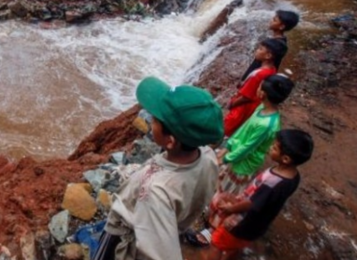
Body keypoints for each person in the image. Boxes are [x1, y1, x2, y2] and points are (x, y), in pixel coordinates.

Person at [93, 76, 223, 260]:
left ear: (170, 141)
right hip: (174, 223)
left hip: (126, 238)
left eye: (155, 119)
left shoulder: (156, 191)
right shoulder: (207, 155)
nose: (150, 121)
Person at [185, 74, 295, 247]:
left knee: (228, 197)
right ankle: (210, 213)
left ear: (263, 94)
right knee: (220, 186)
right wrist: (228, 146)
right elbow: (244, 131)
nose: (257, 89)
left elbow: (248, 147)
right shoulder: (262, 109)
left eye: (260, 87)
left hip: (243, 165)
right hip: (235, 155)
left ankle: (212, 230)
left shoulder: (267, 124)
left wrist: (227, 157)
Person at [203, 129, 314, 260]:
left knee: (216, 243)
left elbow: (252, 204)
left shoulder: (273, 183)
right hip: (257, 225)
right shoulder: (294, 177)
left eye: (274, 147)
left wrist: (230, 209)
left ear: (285, 159)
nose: (270, 148)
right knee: (235, 245)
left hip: (242, 223)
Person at [224, 38, 287, 137]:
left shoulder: (258, 74)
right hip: (253, 106)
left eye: (260, 49)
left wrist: (232, 104)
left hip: (242, 108)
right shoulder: (272, 69)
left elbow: (246, 97)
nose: (257, 50)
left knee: (225, 129)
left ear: (268, 56)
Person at [240, 10, 299, 82]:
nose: (271, 21)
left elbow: (259, 63)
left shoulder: (277, 44)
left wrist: (245, 79)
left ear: (282, 26)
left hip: (258, 77)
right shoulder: (280, 41)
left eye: (274, 20)